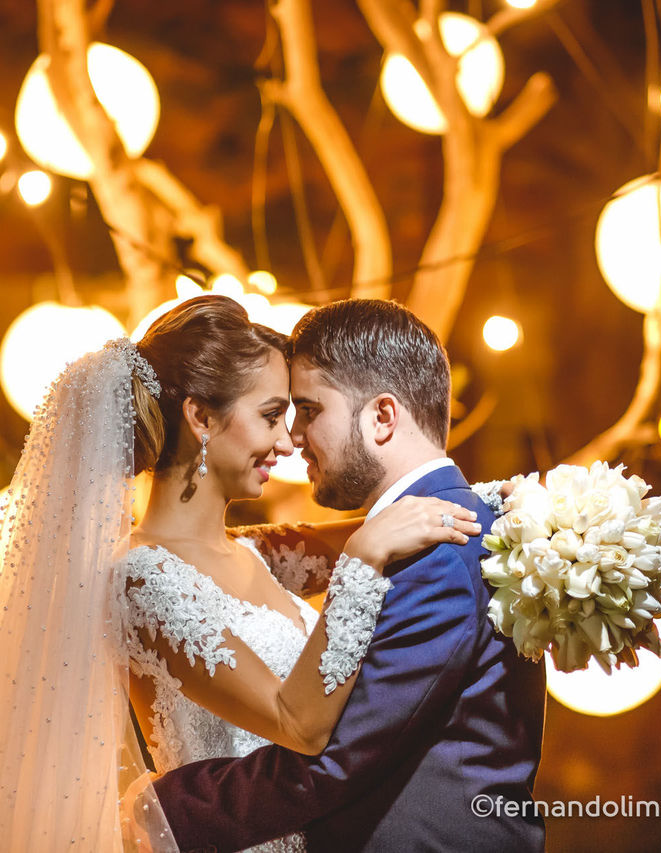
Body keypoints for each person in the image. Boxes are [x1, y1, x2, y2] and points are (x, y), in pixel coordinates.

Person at [0, 296, 485, 851]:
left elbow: (398, 513)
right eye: (273, 414)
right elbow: (296, 724)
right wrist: (360, 562)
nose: (290, 441)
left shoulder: (257, 553)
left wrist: (514, 508)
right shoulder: (142, 580)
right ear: (201, 416)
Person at [151, 299, 547, 852]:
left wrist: (166, 809)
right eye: (277, 416)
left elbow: (340, 756)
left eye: (308, 411)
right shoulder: (442, 528)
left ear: (382, 417)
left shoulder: (438, 550)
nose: (292, 441)